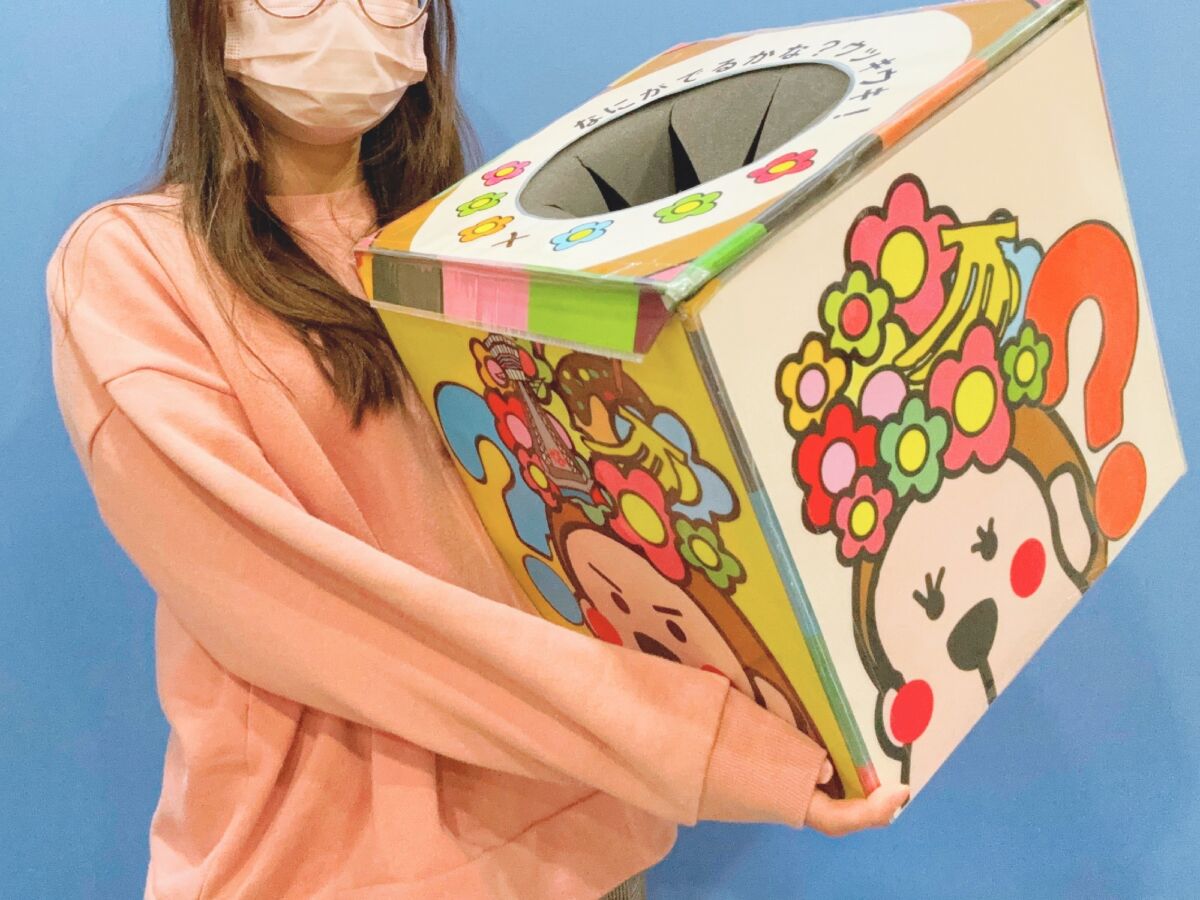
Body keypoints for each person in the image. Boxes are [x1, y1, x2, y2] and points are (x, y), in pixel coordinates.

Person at [45, 1, 909, 897]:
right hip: (330, 869)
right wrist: (707, 744)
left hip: (589, 844)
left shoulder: (489, 243)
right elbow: (296, 601)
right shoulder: (135, 267)